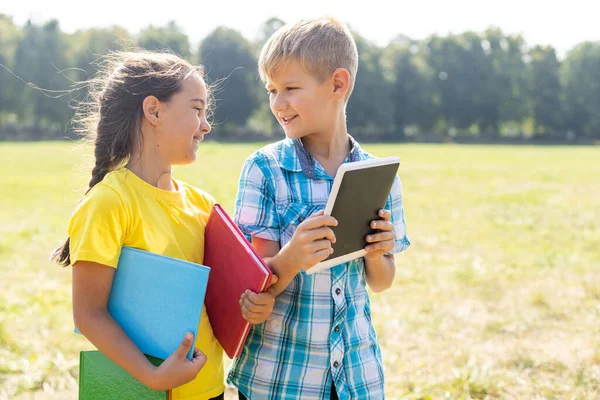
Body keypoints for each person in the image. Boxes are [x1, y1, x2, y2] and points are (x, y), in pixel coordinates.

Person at [231, 17, 411, 400]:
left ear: (337, 84)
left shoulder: (379, 177)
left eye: (291, 88)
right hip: (281, 381)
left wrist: (378, 254)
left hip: (355, 378)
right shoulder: (265, 170)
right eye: (272, 90)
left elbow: (381, 281)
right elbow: (251, 285)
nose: (278, 103)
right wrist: (292, 257)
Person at [51, 50, 243, 400]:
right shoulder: (110, 202)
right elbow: (89, 312)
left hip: (209, 389)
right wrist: (152, 377)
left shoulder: (203, 204)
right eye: (197, 109)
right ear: (154, 110)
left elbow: (221, 297)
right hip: (138, 392)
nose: (206, 124)